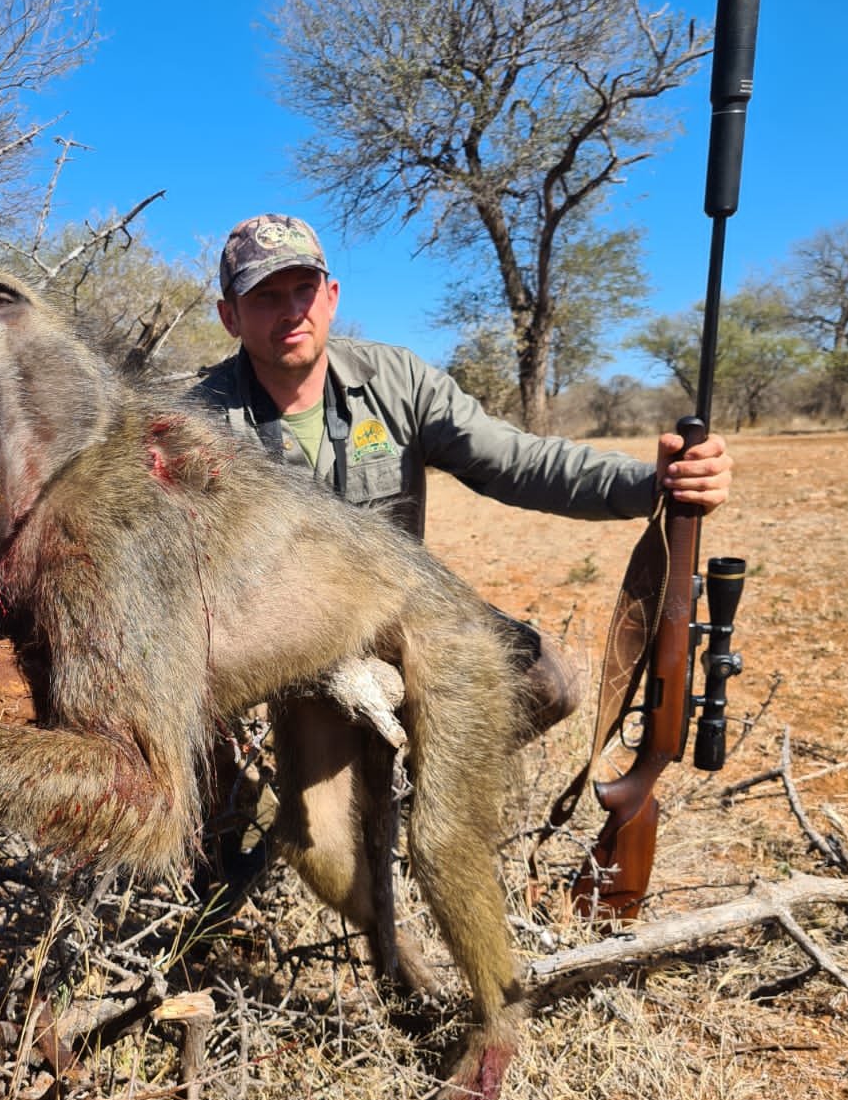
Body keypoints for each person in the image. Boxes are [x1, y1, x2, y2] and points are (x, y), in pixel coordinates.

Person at [192, 214, 734, 738]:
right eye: (264, 296)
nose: (291, 312)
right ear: (230, 317)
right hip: (264, 631)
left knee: (549, 683)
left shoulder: (398, 379)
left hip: (390, 609)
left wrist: (653, 484)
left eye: (303, 290)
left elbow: (516, 461)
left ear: (330, 297)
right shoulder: (192, 415)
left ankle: (412, 774)